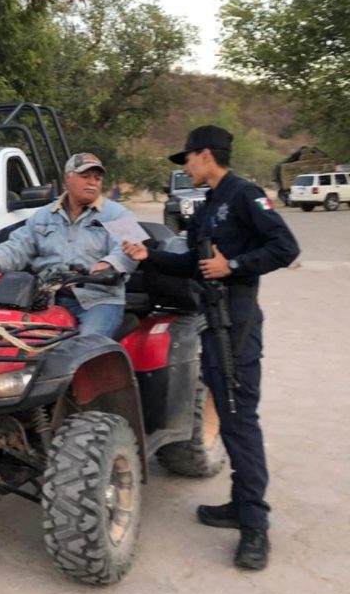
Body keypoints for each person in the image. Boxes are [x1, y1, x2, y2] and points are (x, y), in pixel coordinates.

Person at [121, 125, 300, 571]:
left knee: (239, 419)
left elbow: (285, 247)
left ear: (205, 155)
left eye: (187, 159)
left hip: (236, 321)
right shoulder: (208, 204)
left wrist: (233, 265)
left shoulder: (243, 194)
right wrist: (149, 257)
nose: (185, 167)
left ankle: (255, 525)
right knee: (227, 406)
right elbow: (191, 263)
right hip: (211, 317)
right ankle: (240, 505)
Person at [0, 152, 138, 338]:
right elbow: (17, 247)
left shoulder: (118, 214)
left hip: (98, 301)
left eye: (97, 178)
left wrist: (109, 265)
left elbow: (131, 249)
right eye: (85, 176)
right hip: (48, 300)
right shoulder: (43, 215)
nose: (93, 182)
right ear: (67, 178)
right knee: (5, 338)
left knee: (85, 346)